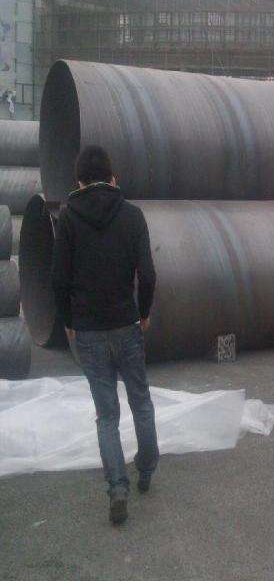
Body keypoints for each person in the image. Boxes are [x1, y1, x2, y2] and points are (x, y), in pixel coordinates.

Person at [52, 145, 158, 525]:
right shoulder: (132, 215)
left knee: (107, 414)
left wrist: (68, 320)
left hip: (89, 330)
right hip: (126, 325)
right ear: (113, 178)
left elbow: (58, 279)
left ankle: (117, 488)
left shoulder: (68, 218)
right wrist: (143, 313)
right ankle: (146, 468)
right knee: (140, 401)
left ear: (79, 181)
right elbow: (147, 274)